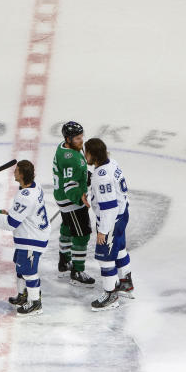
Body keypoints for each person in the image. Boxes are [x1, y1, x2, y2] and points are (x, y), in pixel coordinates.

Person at [0, 160, 51, 316]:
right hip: (30, 234)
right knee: (20, 268)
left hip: (33, 239)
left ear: (23, 175)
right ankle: (23, 295)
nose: (14, 172)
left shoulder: (25, 196)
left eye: (17, 171)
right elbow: (20, 214)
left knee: (29, 271)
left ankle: (35, 303)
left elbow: (11, 224)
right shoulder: (33, 186)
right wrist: (11, 213)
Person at [84, 138, 133, 311]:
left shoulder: (101, 177)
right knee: (119, 250)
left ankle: (111, 295)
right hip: (122, 214)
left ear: (92, 155)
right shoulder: (112, 162)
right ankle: (126, 283)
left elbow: (109, 207)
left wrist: (103, 231)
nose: (84, 155)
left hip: (111, 221)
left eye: (86, 152)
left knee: (105, 259)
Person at [53, 121, 94, 287]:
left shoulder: (65, 147)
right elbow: (70, 186)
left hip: (63, 198)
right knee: (82, 233)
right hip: (71, 201)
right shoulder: (71, 158)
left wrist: (85, 176)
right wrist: (80, 198)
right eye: (77, 138)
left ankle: (64, 262)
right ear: (68, 139)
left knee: (68, 227)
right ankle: (77, 271)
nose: (81, 140)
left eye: (81, 136)